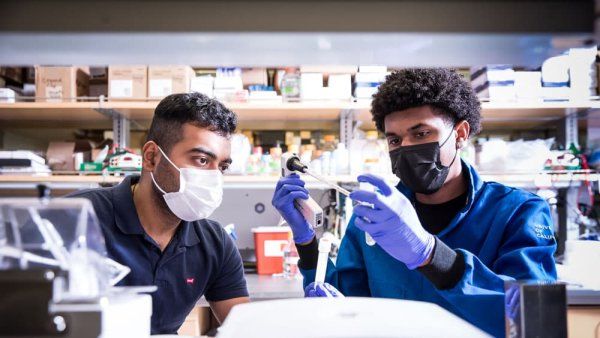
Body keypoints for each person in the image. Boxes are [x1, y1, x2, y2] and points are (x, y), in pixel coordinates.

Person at [272, 68, 557, 337]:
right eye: (395, 140)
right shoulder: (373, 219)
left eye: (421, 134)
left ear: (459, 134)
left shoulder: (518, 212)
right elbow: (348, 303)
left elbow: (536, 321)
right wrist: (307, 241)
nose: (406, 147)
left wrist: (431, 255)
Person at [70, 93, 249, 334]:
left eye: (222, 167)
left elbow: (246, 329)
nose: (214, 177)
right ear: (152, 157)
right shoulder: (76, 218)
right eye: (202, 160)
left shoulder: (214, 243)